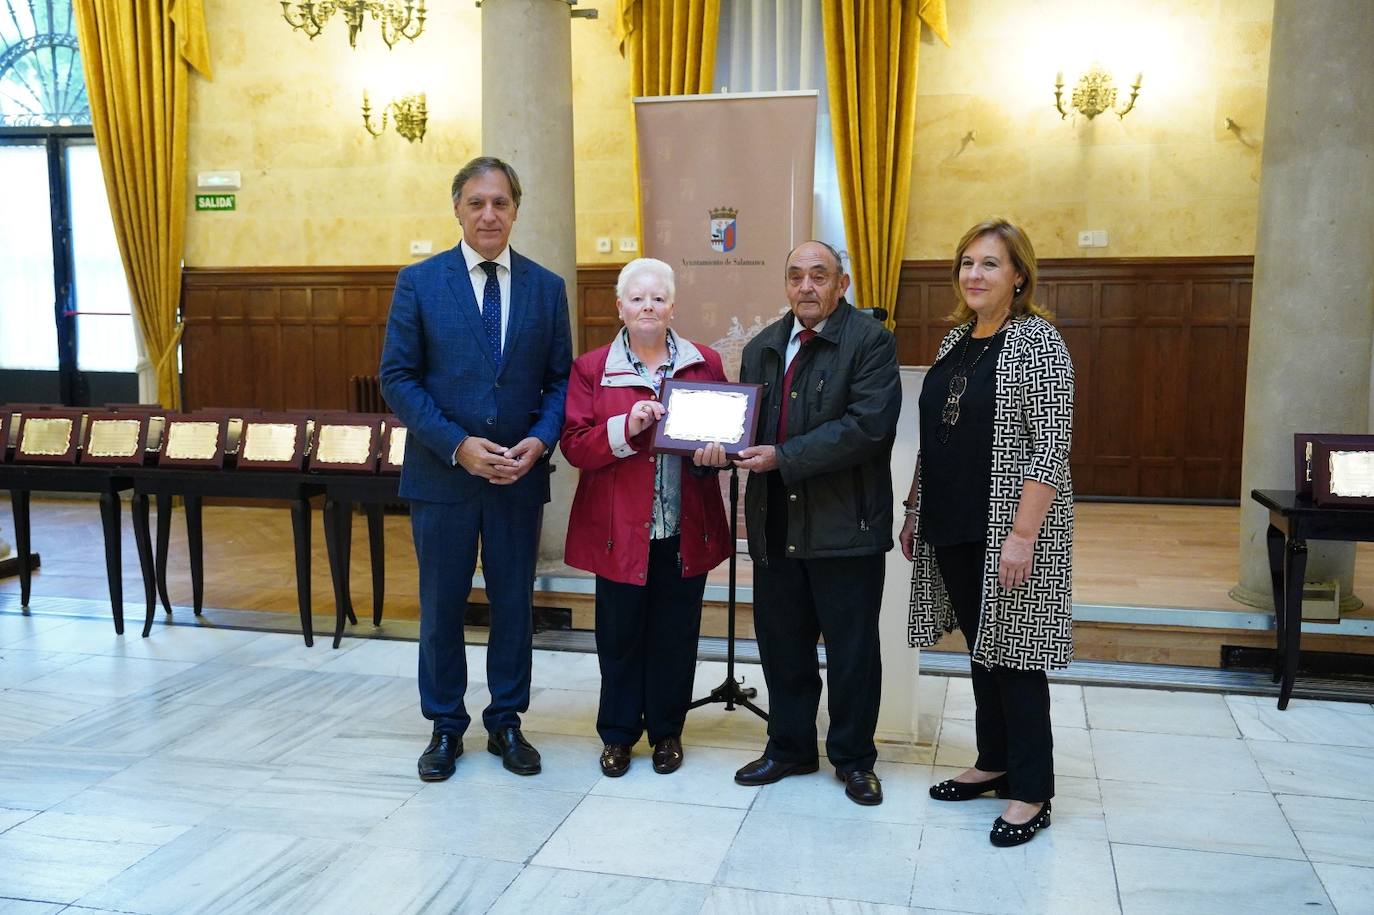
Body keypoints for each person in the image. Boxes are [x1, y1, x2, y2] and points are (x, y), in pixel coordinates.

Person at [379, 156, 572, 782]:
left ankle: (508, 722)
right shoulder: (420, 282)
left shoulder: (546, 287)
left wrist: (541, 442)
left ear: (516, 209)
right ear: (457, 209)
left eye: (500, 203)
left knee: (514, 604)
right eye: (476, 203)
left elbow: (560, 381)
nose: (489, 214)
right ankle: (444, 725)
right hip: (443, 476)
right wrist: (457, 445)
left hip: (518, 476)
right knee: (442, 605)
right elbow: (398, 379)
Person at [903, 217, 1074, 847]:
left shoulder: (1039, 342)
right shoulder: (957, 341)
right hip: (950, 520)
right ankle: (995, 761)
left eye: (990, 264)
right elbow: (934, 437)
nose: (974, 274)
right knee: (984, 651)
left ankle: (1032, 790)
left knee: (1018, 658)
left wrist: (1024, 535)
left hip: (1008, 524)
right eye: (967, 262)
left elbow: (1050, 447)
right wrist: (915, 509)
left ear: (1019, 275)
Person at [733, 240, 902, 806]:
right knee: (782, 647)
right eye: (796, 276)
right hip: (775, 525)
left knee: (853, 652)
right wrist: (719, 447)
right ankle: (789, 747)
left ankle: (854, 759)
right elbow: (745, 427)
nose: (806, 286)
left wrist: (783, 456)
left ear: (842, 284)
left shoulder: (871, 342)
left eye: (819, 275)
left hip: (845, 527)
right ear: (785, 284)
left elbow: (868, 428)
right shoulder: (761, 347)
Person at [560, 258, 733, 777]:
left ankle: (666, 733)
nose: (648, 307)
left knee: (676, 638)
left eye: (658, 298)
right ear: (620, 307)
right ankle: (616, 736)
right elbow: (574, 447)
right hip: (619, 533)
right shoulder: (591, 368)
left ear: (673, 306)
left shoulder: (703, 362)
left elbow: (725, 434)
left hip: (684, 528)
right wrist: (625, 426)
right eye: (637, 299)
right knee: (618, 638)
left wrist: (715, 454)